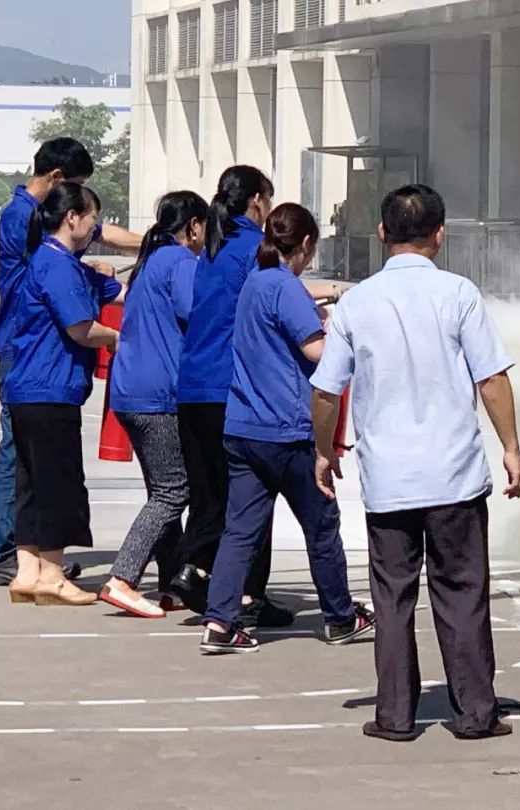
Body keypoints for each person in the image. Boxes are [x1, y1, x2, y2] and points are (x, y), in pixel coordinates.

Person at [310, 184, 520, 742]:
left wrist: (322, 450)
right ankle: (477, 713)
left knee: (392, 598)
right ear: (440, 233)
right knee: (461, 594)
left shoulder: (357, 302)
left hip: (390, 479)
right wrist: (510, 446)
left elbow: (327, 391)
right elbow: (492, 378)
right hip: (454, 473)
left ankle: (395, 715)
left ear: (382, 233)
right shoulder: (458, 293)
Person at [200, 203, 374, 653]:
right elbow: (318, 354)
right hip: (287, 430)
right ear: (306, 245)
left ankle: (219, 622)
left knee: (240, 531)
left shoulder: (255, 283)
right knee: (321, 525)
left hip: (243, 426)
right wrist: (339, 328)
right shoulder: (286, 286)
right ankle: (338, 616)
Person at [0, 137, 142, 588]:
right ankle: (7, 552)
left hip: (34, 347)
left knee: (29, 457)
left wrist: (149, 243)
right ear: (57, 181)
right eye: (74, 190)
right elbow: (59, 266)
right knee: (24, 457)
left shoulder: (44, 222)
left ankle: (26, 557)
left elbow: (100, 232)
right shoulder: (23, 217)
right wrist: (95, 280)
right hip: (27, 347)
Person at [171, 166, 285, 625]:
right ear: (257, 201)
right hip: (228, 388)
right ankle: (230, 585)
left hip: (193, 386)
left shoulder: (211, 251)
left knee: (209, 494)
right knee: (252, 494)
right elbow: (277, 296)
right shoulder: (252, 249)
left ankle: (203, 571)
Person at [3, 182, 124, 606]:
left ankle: (27, 570)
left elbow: (113, 290)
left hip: (29, 391)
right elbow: (81, 329)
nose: (95, 227)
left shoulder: (58, 264)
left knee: (31, 484)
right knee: (58, 483)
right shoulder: (57, 266)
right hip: (49, 390)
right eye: (92, 218)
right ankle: (53, 573)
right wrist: (116, 338)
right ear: (72, 216)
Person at [102, 192, 209, 619]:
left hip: (130, 388)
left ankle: (169, 582)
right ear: (195, 226)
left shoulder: (150, 260)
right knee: (173, 490)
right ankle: (123, 577)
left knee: (161, 486)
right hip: (156, 392)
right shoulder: (180, 262)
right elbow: (195, 313)